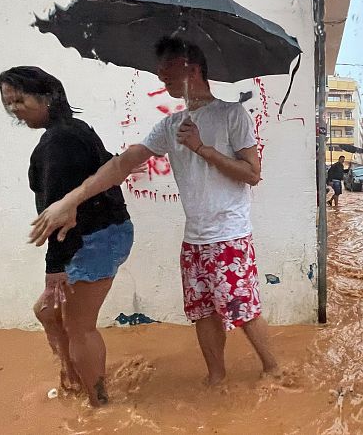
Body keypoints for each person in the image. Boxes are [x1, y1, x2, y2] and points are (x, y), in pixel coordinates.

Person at [28, 36, 278, 386]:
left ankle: (274, 369)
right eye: (159, 66)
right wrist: (71, 200)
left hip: (231, 235)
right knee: (203, 313)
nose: (160, 73)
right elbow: (123, 164)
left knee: (243, 310)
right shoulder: (170, 125)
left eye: (167, 65)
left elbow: (252, 174)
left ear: (192, 67)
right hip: (195, 239)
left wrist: (201, 148)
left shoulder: (231, 114)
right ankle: (216, 378)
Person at [0, 66, 133, 406]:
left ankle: (98, 403)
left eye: (20, 99)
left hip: (93, 239)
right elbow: (106, 168)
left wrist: (54, 269)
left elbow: (59, 217)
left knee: (80, 327)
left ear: (47, 96)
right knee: (46, 312)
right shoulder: (73, 130)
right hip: (106, 233)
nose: (14, 109)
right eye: (8, 102)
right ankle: (73, 374)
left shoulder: (59, 141)